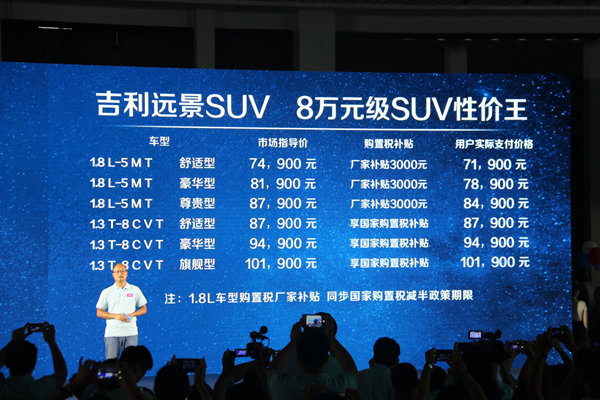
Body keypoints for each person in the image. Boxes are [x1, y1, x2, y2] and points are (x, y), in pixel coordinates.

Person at [268, 314, 358, 400]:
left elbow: (272, 370)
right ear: (326, 358)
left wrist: (294, 341)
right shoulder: (342, 387)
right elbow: (351, 368)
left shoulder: (282, 387)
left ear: (297, 356)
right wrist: (330, 337)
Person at [0, 322, 68, 400]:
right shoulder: (41, 391)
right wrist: (51, 342)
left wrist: (13, 342)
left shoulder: (2, 388)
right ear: (33, 366)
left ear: (6, 363)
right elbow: (61, 373)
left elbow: (61, 372)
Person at [96, 263, 147, 359]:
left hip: (130, 332)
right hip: (112, 333)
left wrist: (133, 314)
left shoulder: (135, 290)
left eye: (122, 271)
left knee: (131, 362)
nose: (120, 273)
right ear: (113, 274)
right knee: (111, 362)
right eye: (117, 272)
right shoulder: (107, 292)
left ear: (127, 273)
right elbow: (99, 312)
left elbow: (144, 309)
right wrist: (116, 316)